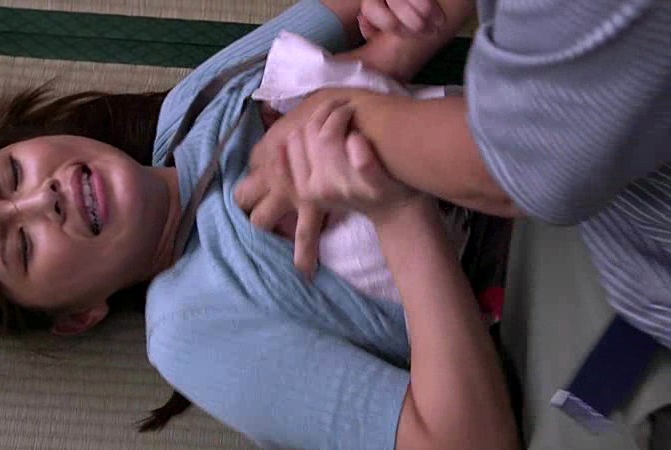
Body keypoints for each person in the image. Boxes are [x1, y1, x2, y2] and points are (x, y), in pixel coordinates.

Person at [0, 0, 519, 449]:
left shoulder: (194, 104)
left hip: (519, 119)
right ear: (77, 315)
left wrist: (407, 21)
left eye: (12, 174)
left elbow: (388, 33)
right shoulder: (188, 328)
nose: (44, 199)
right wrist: (397, 213)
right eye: (21, 245)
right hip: (533, 270)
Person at [236, 0, 671, 448]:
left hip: (618, 270)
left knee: (587, 411)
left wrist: (351, 121)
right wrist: (384, 60)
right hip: (593, 246)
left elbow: (514, 168)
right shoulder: (206, 109)